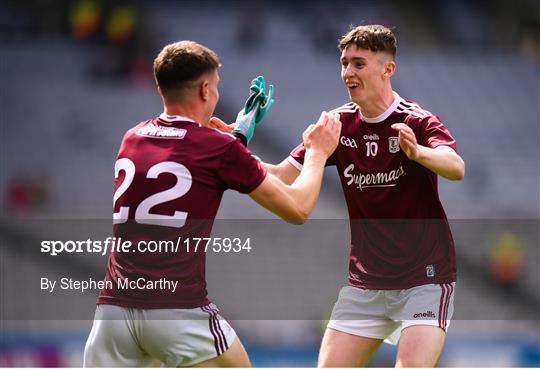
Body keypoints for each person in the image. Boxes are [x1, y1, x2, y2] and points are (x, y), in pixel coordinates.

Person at [83, 40, 341, 367]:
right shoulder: (217, 150)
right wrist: (318, 152)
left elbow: (185, 161)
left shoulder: (132, 138)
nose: (217, 95)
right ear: (205, 89)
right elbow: (298, 208)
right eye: (216, 87)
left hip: (114, 314)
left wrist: (237, 139)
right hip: (176, 311)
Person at [237, 25, 464, 367]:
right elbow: (281, 175)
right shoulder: (336, 125)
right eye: (344, 63)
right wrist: (231, 149)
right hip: (366, 285)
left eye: (358, 63)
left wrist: (418, 153)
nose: (347, 73)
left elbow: (455, 166)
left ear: (388, 69)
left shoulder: (416, 121)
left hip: (425, 279)